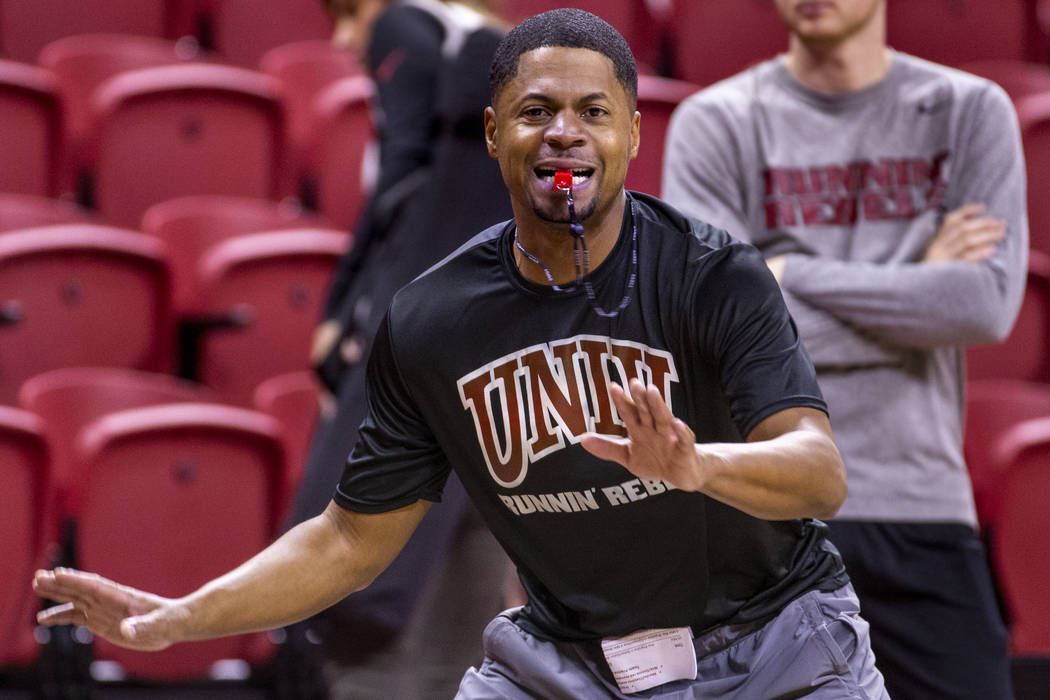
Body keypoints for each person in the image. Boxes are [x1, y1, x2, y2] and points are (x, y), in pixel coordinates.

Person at [33, 10, 889, 698]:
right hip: (578, 660)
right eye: (535, 111)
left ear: (632, 133)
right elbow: (346, 542)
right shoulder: (434, 317)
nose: (564, 134)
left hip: (777, 645)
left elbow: (818, 472)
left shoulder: (713, 274)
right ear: (491, 135)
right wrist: (182, 618)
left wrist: (697, 465)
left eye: (593, 112)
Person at [660, 1, 1026, 699]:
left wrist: (785, 276)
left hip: (920, 505)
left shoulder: (969, 110)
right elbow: (707, 326)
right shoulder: (717, 122)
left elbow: (982, 305)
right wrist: (919, 278)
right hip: (763, 510)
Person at [293, 1, 514, 697]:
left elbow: (404, 178)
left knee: (364, 584)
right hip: (494, 348)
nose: (343, 38)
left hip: (416, 338)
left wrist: (342, 311)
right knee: (465, 591)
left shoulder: (404, 24)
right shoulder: (498, 49)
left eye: (346, 13)